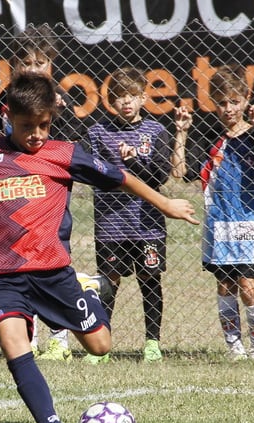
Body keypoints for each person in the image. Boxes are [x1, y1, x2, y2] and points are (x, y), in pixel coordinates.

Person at [0, 72, 198, 423]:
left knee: (100, 346)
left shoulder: (64, 154)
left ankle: (90, 289)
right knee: (15, 346)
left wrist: (166, 204)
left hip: (52, 273)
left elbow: (121, 177)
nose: (36, 134)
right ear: (8, 116)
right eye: (27, 126)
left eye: (44, 125)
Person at [176, 66, 254, 362]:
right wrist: (181, 133)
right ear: (214, 102)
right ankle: (234, 348)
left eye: (234, 101)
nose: (228, 108)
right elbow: (179, 172)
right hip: (220, 225)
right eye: (222, 102)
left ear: (245, 99)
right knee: (225, 285)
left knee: (249, 286)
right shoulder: (208, 135)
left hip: (250, 224)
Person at [0, 23, 89, 361]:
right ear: (14, 65)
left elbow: (75, 146)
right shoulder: (1, 99)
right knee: (17, 269)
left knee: (52, 264)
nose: (33, 69)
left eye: (40, 61)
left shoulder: (60, 101)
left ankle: (59, 337)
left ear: (52, 64)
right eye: (26, 62)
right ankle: (25, 335)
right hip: (10, 204)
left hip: (48, 204)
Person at [84, 67, 174, 364]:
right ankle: (103, 343)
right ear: (111, 100)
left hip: (146, 225)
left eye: (132, 96)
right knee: (108, 283)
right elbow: (87, 173)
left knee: (149, 279)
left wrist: (134, 162)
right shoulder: (97, 133)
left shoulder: (156, 132)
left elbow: (160, 175)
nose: (126, 102)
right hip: (111, 225)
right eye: (120, 96)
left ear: (143, 98)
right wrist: (114, 171)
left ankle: (152, 342)